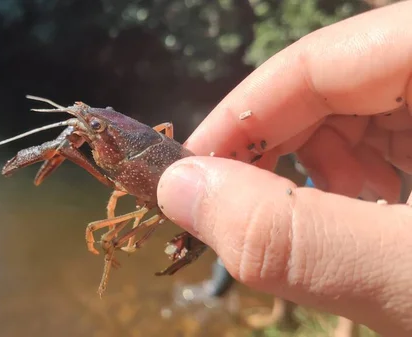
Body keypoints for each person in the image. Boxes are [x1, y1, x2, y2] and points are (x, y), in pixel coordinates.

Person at [156, 1, 412, 336]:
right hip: (323, 170)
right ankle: (284, 315)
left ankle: (342, 329)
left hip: (343, 175)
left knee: (334, 230)